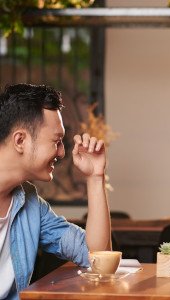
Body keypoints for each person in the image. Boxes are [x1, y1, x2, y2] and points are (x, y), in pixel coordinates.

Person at [0, 83, 111, 299]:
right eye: (57, 141)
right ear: (20, 140)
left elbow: (97, 259)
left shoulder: (31, 204)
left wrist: (95, 176)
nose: (62, 153)